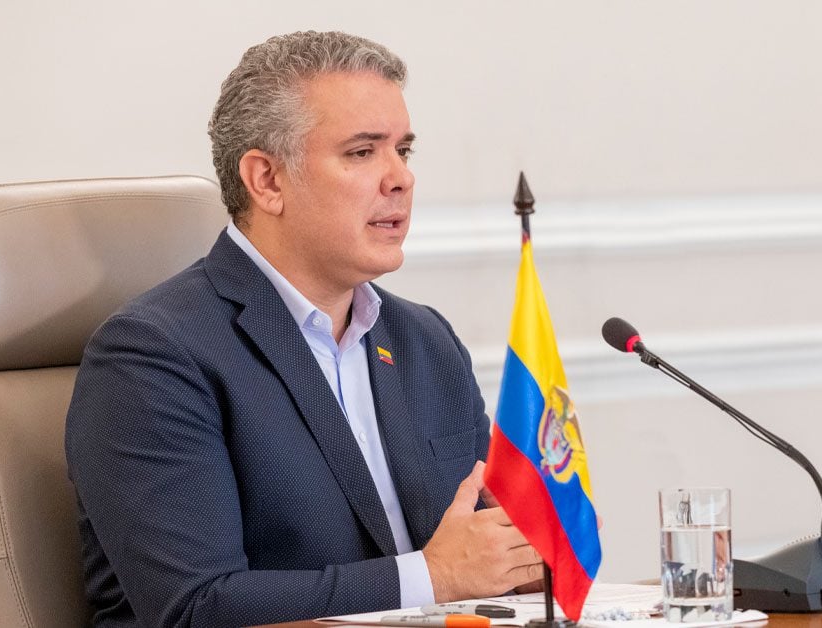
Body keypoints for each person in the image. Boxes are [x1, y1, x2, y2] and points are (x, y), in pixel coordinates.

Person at [65, 31, 541, 627]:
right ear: (266, 181)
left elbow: (482, 544)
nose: (400, 178)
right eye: (363, 153)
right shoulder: (152, 355)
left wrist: (533, 554)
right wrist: (435, 576)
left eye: (404, 150)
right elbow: (197, 609)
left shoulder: (423, 338)